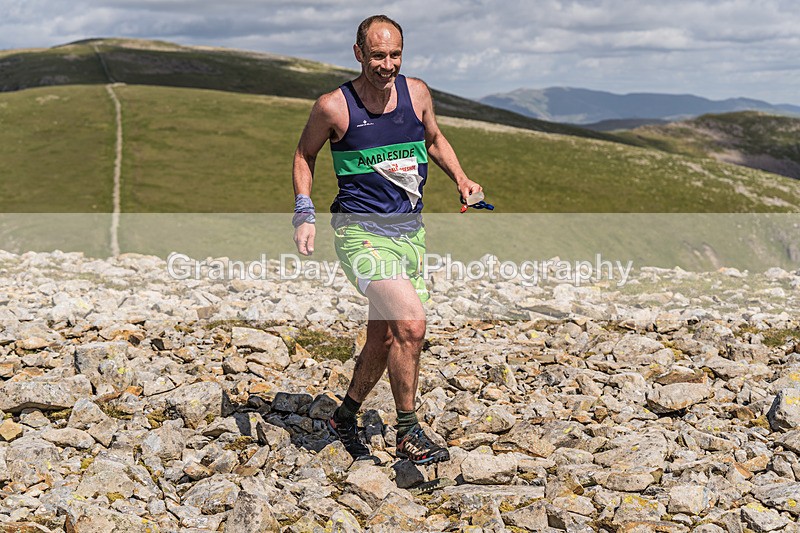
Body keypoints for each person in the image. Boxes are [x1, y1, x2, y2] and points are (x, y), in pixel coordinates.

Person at [291, 14, 482, 464]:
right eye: (378, 55)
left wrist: (461, 178)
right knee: (412, 324)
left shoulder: (416, 94)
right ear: (359, 53)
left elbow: (433, 139)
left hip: (409, 234)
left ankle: (345, 415)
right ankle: (407, 432)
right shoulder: (333, 107)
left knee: (385, 338)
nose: (387, 64)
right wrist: (304, 210)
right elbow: (304, 154)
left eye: (395, 54)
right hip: (359, 234)